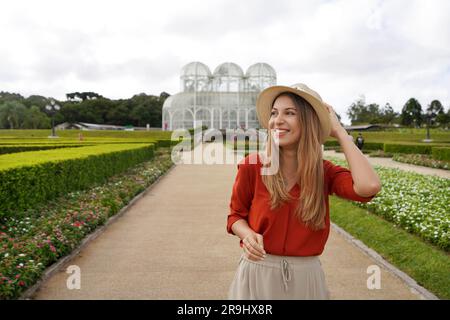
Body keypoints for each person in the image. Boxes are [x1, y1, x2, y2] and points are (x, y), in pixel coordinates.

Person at [226, 83, 381, 300]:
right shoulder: (253, 166)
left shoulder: (324, 173)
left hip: (307, 280)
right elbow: (235, 216)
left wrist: (340, 133)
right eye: (274, 113)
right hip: (257, 272)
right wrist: (247, 234)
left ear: (308, 123)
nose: (277, 120)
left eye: (289, 113)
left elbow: (369, 187)